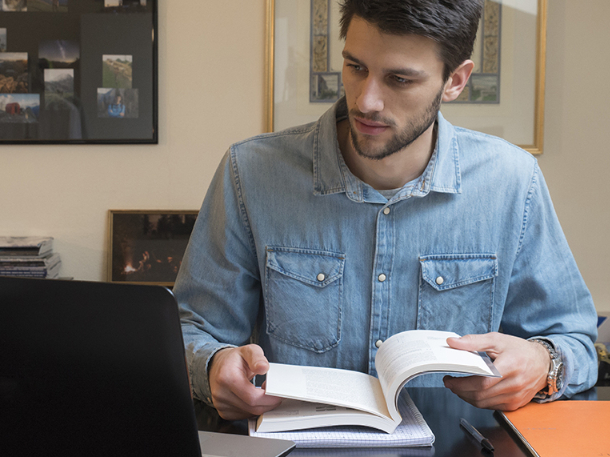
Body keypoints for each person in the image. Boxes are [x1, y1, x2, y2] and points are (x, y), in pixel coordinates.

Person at [174, 0, 598, 421]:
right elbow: (191, 328)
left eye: (399, 79)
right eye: (356, 67)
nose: (366, 100)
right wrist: (211, 367)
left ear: (455, 81)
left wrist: (544, 364)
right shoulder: (251, 173)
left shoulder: (512, 182)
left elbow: (576, 342)